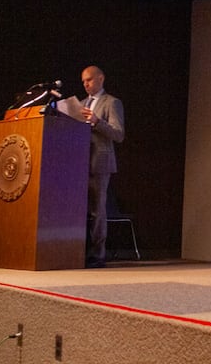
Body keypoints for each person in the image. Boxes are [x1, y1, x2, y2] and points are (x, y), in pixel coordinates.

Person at [80, 65, 125, 268]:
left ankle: (98, 254)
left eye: (89, 80)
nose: (86, 84)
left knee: (97, 210)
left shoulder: (111, 103)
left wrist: (97, 122)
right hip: (78, 163)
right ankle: (77, 249)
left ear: (101, 78)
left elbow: (118, 134)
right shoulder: (80, 104)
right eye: (83, 81)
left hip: (100, 162)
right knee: (79, 210)